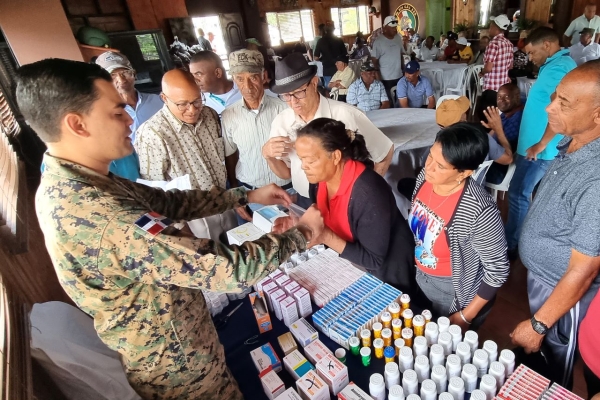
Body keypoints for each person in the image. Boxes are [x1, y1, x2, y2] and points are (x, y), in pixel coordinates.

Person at [16, 58, 323, 400]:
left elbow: (169, 201)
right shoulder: (103, 216)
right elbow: (229, 269)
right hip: (180, 370)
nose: (129, 119)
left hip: (185, 341)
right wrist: (302, 233)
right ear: (77, 124)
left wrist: (246, 194)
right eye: (116, 112)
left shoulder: (87, 182)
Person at [510, 61, 600, 390]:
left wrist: (538, 324)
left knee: (553, 364)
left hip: (564, 291)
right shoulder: (574, 141)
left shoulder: (597, 178)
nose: (550, 107)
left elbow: (583, 270)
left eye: (564, 102)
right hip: (544, 281)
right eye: (554, 96)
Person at [291, 118, 416, 292]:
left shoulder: (368, 193)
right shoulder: (319, 181)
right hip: (350, 263)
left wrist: (326, 236)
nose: (304, 167)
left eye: (310, 161)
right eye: (301, 160)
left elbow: (374, 260)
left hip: (384, 274)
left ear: (335, 156)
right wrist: (300, 223)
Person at [407, 122, 509, 330]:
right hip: (421, 275)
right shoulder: (426, 179)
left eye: (441, 166)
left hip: (452, 291)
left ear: (464, 173)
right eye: (430, 156)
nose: (429, 167)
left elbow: (497, 271)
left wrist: (465, 316)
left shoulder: (478, 211)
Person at [264, 53, 394, 208]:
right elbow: (286, 173)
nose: (293, 102)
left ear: (314, 83)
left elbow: (385, 152)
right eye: (286, 95)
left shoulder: (345, 114)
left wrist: (367, 192)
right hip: (305, 201)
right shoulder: (281, 122)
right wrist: (269, 157)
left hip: (346, 202)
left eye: (299, 92)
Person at [505, 27, 576, 259]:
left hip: (540, 150)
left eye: (532, 52)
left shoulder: (559, 69)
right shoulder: (554, 67)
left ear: (547, 45)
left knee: (518, 194)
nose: (530, 58)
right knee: (525, 194)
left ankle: (512, 245)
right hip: (537, 146)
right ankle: (520, 239)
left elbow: (561, 112)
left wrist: (541, 143)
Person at [221, 49, 292, 224]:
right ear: (234, 80)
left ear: (263, 76)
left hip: (288, 193)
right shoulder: (229, 115)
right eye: (239, 78)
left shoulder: (285, 109)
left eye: (253, 77)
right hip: (249, 195)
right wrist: (236, 196)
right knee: (253, 248)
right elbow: (230, 156)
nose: (247, 85)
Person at [95, 51, 163, 181]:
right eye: (112, 75)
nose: (121, 79)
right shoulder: (102, 114)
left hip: (161, 169)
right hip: (130, 175)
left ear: (134, 74)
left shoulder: (159, 101)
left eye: (125, 72)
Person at [436, 96, 512, 183]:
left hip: (447, 189)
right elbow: (508, 159)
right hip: (474, 190)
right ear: (462, 118)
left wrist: (494, 130)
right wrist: (499, 131)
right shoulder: (479, 136)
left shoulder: (438, 141)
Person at [481, 83, 524, 184]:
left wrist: (498, 130)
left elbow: (507, 155)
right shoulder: (509, 112)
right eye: (499, 96)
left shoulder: (517, 120)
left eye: (506, 96)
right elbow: (492, 135)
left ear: (517, 97)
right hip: (495, 157)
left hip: (500, 169)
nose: (501, 100)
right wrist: (494, 128)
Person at [478, 15, 513, 123]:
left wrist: (482, 72)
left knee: (486, 118)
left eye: (490, 26)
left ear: (495, 27)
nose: (489, 29)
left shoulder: (493, 44)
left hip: (491, 88)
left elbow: (488, 68)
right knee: (499, 117)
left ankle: (488, 138)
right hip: (504, 86)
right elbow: (510, 66)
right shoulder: (509, 44)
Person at [189, 51, 242, 116]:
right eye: (192, 75)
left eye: (199, 74)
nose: (195, 80)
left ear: (218, 73)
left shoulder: (243, 90)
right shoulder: (199, 101)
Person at [371, 16, 406, 103]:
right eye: (392, 27)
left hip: (399, 76)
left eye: (395, 27)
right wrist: (378, 77)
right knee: (389, 102)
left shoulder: (398, 38)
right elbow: (374, 61)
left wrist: (404, 69)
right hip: (386, 78)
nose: (395, 29)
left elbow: (401, 54)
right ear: (385, 28)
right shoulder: (378, 42)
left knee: (401, 101)